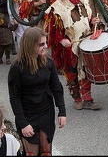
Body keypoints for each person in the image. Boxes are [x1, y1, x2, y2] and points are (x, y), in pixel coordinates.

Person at [44, 0, 103, 110]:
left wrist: (92, 20)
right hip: (69, 47)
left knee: (86, 70)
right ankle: (77, 97)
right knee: (72, 73)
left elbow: (87, 18)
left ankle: (87, 99)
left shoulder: (83, 1)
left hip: (86, 42)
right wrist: (61, 40)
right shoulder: (57, 7)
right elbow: (52, 29)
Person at [8, 27, 67, 156]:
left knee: (46, 152)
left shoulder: (49, 62)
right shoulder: (17, 67)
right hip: (27, 115)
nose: (45, 46)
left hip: (46, 112)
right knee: (31, 153)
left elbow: (57, 88)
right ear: (30, 45)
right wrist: (23, 123)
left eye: (46, 43)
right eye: (41, 44)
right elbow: (14, 97)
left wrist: (62, 112)